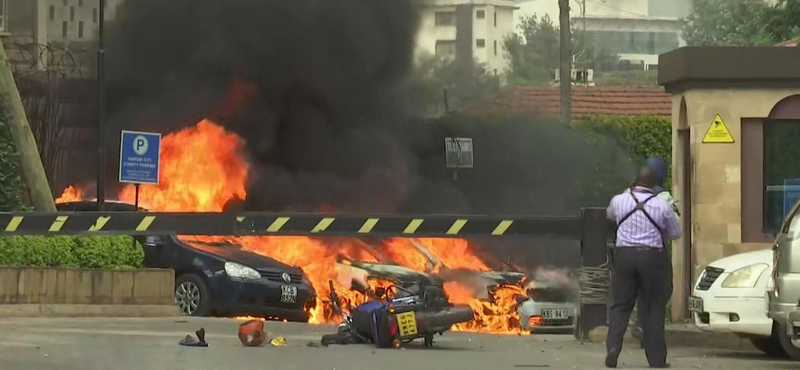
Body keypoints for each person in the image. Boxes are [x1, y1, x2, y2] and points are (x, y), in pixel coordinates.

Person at [605, 166, 681, 368]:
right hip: (652, 258)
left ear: (634, 181)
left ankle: (613, 348)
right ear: (654, 185)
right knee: (653, 308)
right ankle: (656, 359)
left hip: (624, 256)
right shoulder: (662, 205)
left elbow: (611, 216)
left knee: (620, 305)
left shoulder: (618, 200)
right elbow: (675, 233)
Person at [626, 158, 679, 345]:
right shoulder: (664, 198)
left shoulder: (627, 195)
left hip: (626, 251)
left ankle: (638, 326)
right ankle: (646, 329)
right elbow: (675, 230)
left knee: (636, 291)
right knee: (660, 291)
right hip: (655, 252)